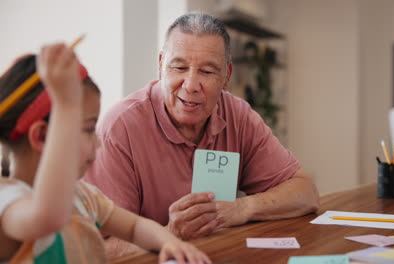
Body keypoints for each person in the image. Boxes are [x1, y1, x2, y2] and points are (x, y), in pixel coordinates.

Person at [85, 12, 319, 245]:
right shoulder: (119, 128)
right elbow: (99, 248)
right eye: (179, 67)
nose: (191, 85)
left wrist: (241, 208)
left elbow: (305, 192)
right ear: (160, 66)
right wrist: (169, 235)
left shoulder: (238, 115)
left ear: (226, 76)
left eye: (207, 72)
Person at [0, 44, 210, 264]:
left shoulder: (84, 196)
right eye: (89, 129)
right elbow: (49, 217)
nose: (98, 142)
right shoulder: (8, 202)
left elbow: (135, 226)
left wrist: (170, 243)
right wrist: (66, 105)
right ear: (42, 137)